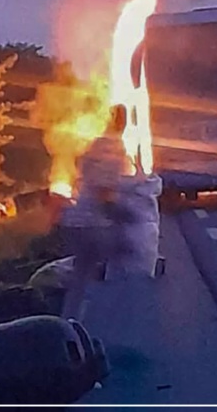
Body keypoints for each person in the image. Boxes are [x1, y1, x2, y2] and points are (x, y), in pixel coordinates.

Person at [60, 105, 127, 320]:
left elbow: (83, 174)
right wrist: (124, 215)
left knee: (81, 277)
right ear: (122, 123)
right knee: (113, 267)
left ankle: (69, 322)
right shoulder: (114, 147)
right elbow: (103, 191)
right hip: (91, 223)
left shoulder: (97, 142)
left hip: (76, 218)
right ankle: (77, 325)